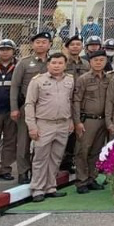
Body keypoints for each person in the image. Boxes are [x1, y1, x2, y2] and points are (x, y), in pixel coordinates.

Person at [24, 52, 74, 202]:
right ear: (48, 65)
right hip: (44, 124)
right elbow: (30, 104)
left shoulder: (70, 81)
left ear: (65, 65)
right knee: (40, 157)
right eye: (54, 63)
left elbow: (70, 101)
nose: (57, 66)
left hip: (63, 123)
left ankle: (50, 187)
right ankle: (38, 189)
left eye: (60, 63)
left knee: (56, 157)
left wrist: (71, 120)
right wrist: (32, 126)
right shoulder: (38, 81)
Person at [10, 31, 51, 184]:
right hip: (27, 107)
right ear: (33, 45)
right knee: (24, 141)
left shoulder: (53, 61)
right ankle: (23, 172)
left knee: (44, 141)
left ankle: (39, 171)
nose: (40, 45)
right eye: (37, 42)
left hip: (47, 108)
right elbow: (15, 86)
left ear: (49, 45)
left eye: (44, 42)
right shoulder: (24, 62)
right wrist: (14, 108)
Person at [72, 50, 111, 194]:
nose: (99, 63)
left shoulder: (109, 79)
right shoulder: (83, 79)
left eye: (101, 60)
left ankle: (91, 178)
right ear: (90, 62)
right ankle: (81, 181)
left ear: (106, 61)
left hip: (102, 120)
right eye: (95, 60)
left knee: (96, 151)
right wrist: (77, 122)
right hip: (87, 120)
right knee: (83, 150)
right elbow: (76, 101)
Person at [61, 35, 89, 173]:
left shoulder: (86, 64)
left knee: (77, 134)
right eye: (72, 45)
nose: (75, 47)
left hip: (81, 102)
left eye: (78, 44)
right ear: (67, 47)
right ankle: (62, 161)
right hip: (65, 101)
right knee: (64, 132)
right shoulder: (62, 62)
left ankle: (70, 161)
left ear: (82, 47)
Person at [0, 39, 17, 181]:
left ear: (13, 51)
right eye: (2, 49)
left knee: (10, 141)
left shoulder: (18, 67)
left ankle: (6, 169)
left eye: (8, 49)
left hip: (11, 111)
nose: (5, 51)